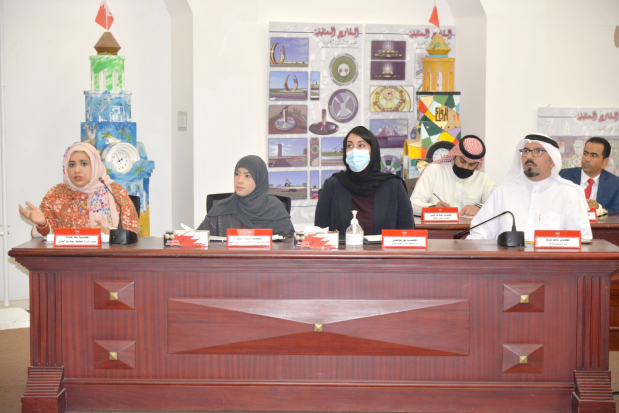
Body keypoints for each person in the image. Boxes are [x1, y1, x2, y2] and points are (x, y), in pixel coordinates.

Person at [468, 133, 592, 242]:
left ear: (552, 161)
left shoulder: (568, 193)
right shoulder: (503, 191)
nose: (529, 156)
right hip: (509, 259)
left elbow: (582, 238)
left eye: (538, 151)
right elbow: (479, 233)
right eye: (526, 151)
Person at [18, 142, 140, 237]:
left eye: (84, 164)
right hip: (66, 258)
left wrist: (108, 232)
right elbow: (44, 238)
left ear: (95, 165)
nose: (77, 170)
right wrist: (42, 225)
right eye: (71, 165)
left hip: (107, 258)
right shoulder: (56, 194)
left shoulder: (114, 191)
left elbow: (134, 233)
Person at [314, 126, 413, 234]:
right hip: (344, 246)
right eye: (350, 145)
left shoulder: (394, 185)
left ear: (372, 151)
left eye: (361, 145)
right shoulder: (333, 185)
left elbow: (408, 233)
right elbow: (320, 232)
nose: (354, 151)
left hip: (383, 246)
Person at [197, 155, 295, 237]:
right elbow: (199, 242)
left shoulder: (275, 209)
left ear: (259, 180)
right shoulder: (220, 210)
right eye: (237, 174)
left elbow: (288, 244)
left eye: (247, 176)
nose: (239, 180)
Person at [410, 135, 495, 217]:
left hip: (469, 227)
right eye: (462, 161)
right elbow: (413, 204)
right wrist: (433, 208)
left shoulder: (483, 179)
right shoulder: (434, 170)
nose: (466, 167)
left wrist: (479, 207)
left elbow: (496, 204)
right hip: (438, 225)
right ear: (455, 155)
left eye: (472, 164)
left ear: (478, 164)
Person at [559, 137, 619, 214]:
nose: (587, 159)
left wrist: (599, 208)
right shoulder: (563, 177)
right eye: (585, 154)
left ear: (604, 162)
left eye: (593, 156)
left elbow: (616, 213)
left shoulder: (615, 184)